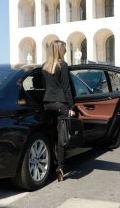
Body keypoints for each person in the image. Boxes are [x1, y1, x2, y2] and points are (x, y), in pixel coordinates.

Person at [42, 40, 75, 182]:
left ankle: (50, 163)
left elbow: (45, 86)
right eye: (65, 49)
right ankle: (60, 167)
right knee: (62, 138)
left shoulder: (44, 66)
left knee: (51, 136)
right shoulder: (63, 65)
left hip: (47, 104)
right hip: (61, 104)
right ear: (60, 50)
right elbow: (66, 88)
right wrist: (71, 107)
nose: (66, 51)